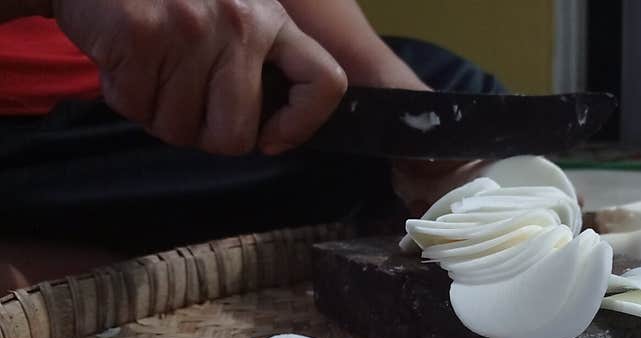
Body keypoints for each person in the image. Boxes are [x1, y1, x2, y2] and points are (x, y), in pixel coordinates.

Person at [0, 0, 504, 289]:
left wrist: (395, 101)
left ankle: (86, 263)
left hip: (179, 101)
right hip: (20, 134)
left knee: (460, 96)